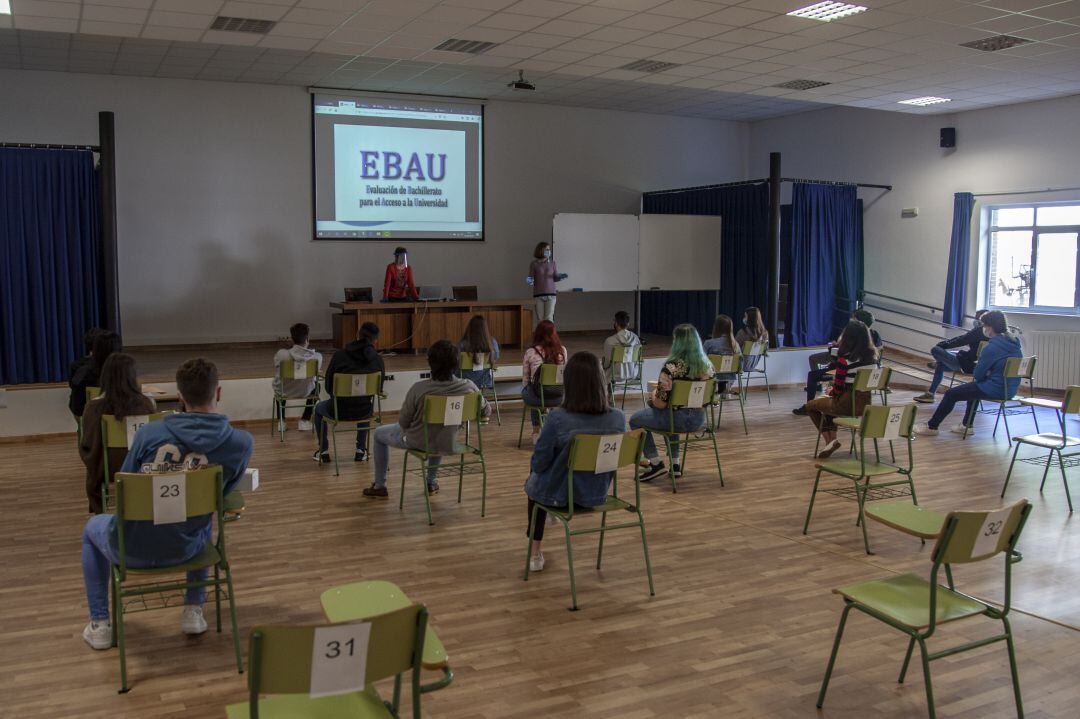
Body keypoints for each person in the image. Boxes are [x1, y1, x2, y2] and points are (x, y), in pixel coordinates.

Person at [80, 358, 253, 650]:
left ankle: (99, 624)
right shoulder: (241, 442)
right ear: (219, 393)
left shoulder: (149, 434)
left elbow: (127, 488)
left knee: (90, 529)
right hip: (189, 549)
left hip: (131, 547)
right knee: (202, 520)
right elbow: (225, 493)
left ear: (180, 396)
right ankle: (193, 610)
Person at [524, 351, 627, 573]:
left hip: (561, 495)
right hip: (597, 493)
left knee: (534, 482)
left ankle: (534, 553)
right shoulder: (618, 418)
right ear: (601, 381)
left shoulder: (558, 418)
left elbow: (539, 463)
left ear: (568, 382)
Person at [363, 340, 490, 498]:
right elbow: (486, 411)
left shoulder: (419, 389)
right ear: (456, 363)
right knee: (440, 429)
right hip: (448, 441)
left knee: (378, 434)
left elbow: (404, 422)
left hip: (418, 441)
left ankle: (380, 485)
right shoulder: (469, 387)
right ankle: (431, 481)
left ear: (431, 363)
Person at [914, 310, 1022, 437]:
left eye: (985, 325)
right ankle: (966, 426)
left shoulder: (992, 347)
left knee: (951, 394)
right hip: (1010, 389)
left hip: (995, 388)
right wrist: (988, 372)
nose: (984, 328)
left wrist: (986, 372)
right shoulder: (1014, 344)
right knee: (974, 388)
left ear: (991, 327)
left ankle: (932, 427)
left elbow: (977, 374)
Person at [631, 324, 713, 481]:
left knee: (636, 420)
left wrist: (653, 394)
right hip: (699, 420)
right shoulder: (709, 367)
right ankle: (675, 465)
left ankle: (655, 463)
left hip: (676, 419)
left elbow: (660, 404)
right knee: (671, 412)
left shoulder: (671, 368)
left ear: (677, 343)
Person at [79, 353, 157, 515]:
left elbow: (87, 445)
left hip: (107, 468)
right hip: (141, 465)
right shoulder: (146, 404)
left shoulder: (93, 408)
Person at [804, 320, 879, 459]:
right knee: (828, 405)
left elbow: (838, 389)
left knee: (811, 406)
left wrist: (830, 393)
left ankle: (830, 440)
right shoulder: (873, 359)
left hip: (845, 404)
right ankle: (831, 442)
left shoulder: (845, 359)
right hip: (864, 406)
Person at [314, 322, 384, 464]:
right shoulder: (377, 360)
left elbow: (328, 387)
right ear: (375, 341)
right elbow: (379, 389)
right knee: (366, 404)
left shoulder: (340, 355)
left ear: (357, 335)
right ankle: (360, 450)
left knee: (318, 409)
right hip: (364, 410)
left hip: (337, 410)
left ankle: (324, 451)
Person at [794, 309, 882, 414]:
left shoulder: (847, 355)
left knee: (814, 382)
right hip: (865, 404)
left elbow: (838, 386)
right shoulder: (874, 355)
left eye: (853, 319)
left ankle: (809, 406)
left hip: (844, 399)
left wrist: (831, 392)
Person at [913, 309, 989, 403]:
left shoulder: (979, 330)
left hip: (966, 365)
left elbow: (961, 340)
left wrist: (943, 344)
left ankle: (931, 391)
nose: (975, 321)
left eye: (977, 318)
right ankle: (930, 393)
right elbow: (963, 339)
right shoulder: (993, 334)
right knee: (942, 364)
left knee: (935, 350)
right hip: (976, 365)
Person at [521, 320, 568, 446]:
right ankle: (552, 430)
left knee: (532, 393)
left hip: (538, 398)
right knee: (543, 394)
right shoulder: (562, 351)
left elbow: (526, 379)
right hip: (558, 397)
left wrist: (527, 391)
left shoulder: (530, 352)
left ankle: (536, 432)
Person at [273, 322, 323, 433]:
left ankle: (281, 422)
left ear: (292, 338)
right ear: (307, 339)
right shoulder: (317, 357)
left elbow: (277, 366)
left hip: (284, 391)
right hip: (306, 391)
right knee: (317, 386)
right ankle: (305, 420)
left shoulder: (281, 354)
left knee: (280, 383)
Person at [69, 330, 122, 418]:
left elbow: (76, 407)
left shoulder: (81, 371)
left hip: (88, 415)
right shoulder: (124, 370)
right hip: (119, 418)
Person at [527, 242, 567, 323]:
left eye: (549, 249)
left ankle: (549, 336)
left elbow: (555, 278)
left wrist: (561, 277)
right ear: (541, 250)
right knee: (540, 320)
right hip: (538, 295)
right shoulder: (534, 264)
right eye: (547, 249)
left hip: (551, 295)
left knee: (549, 319)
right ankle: (541, 335)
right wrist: (529, 281)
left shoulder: (553, 263)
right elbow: (530, 278)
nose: (549, 251)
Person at [458, 314, 500, 390]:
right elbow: (496, 357)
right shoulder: (492, 342)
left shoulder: (463, 344)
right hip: (484, 381)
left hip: (465, 381)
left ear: (470, 328)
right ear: (485, 328)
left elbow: (457, 361)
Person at [600, 310, 641, 386]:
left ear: (616, 323)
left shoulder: (610, 341)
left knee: (603, 370)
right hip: (632, 372)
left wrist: (602, 366)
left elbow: (607, 363)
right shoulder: (636, 339)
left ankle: (607, 396)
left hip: (615, 373)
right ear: (628, 324)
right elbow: (638, 359)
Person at [703, 314, 741, 394]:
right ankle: (724, 389)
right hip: (730, 378)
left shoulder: (709, 343)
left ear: (716, 327)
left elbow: (702, 361)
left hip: (713, 378)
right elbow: (740, 365)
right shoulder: (736, 345)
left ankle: (715, 393)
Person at [735, 307, 768, 372]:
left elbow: (735, 349)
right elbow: (765, 351)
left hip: (740, 366)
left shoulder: (742, 332)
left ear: (750, 319)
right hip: (753, 365)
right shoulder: (765, 333)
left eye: (745, 316)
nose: (744, 318)